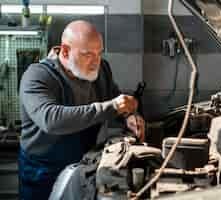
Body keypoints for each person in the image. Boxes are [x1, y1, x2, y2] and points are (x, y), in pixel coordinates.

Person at [18, 20, 145, 200]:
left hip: (83, 164)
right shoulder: (37, 76)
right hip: (43, 171)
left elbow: (114, 99)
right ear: (65, 51)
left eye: (99, 53)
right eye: (87, 54)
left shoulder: (101, 70)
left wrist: (129, 116)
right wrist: (113, 106)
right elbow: (51, 120)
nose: (96, 61)